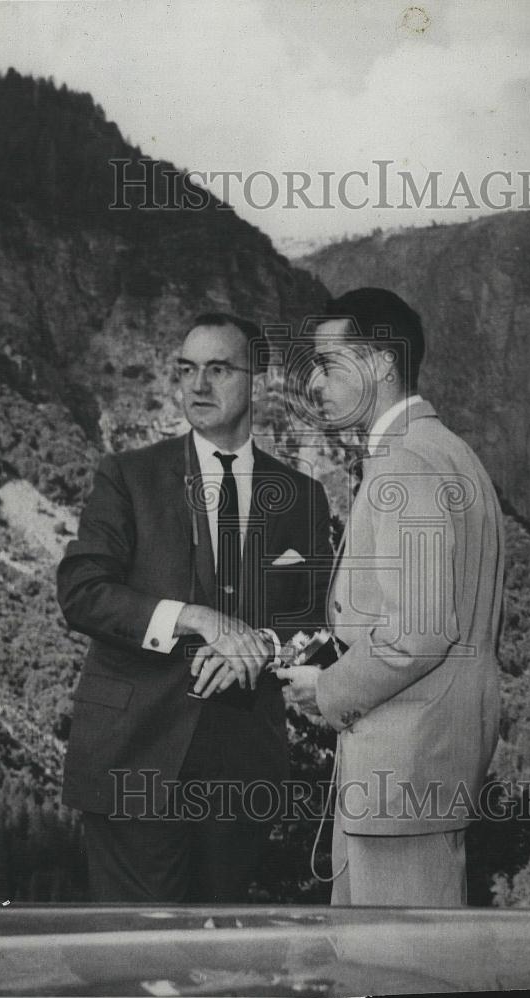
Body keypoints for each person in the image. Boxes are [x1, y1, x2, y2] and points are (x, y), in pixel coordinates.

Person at [57, 313, 332, 903]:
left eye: (218, 369)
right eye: (187, 370)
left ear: (256, 378)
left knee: (218, 960)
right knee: (141, 963)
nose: (198, 386)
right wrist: (195, 616)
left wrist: (260, 649)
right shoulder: (128, 476)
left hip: (241, 771)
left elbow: (318, 619)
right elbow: (82, 589)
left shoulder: (303, 496)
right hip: (130, 759)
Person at [279, 288, 504, 907]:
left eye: (328, 364)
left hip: (402, 778)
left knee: (396, 969)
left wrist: (326, 690)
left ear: (380, 362)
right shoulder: (450, 455)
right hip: (422, 772)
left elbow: (421, 630)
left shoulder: (406, 463)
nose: (316, 385)